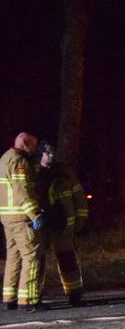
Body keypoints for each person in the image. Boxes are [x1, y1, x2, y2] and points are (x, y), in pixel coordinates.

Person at [34, 143, 88, 306]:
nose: (51, 155)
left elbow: (79, 198)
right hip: (42, 223)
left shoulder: (65, 174)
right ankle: (35, 296)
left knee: (67, 259)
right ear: (40, 155)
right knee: (38, 261)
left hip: (63, 223)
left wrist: (81, 220)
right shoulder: (33, 173)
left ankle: (74, 293)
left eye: (53, 152)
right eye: (48, 153)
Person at [1, 132, 45, 311]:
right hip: (22, 217)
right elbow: (22, 191)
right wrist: (35, 215)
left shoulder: (5, 158)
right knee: (31, 257)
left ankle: (9, 297)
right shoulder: (20, 161)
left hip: (8, 218)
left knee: (13, 257)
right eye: (34, 146)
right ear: (25, 144)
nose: (35, 150)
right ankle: (28, 300)